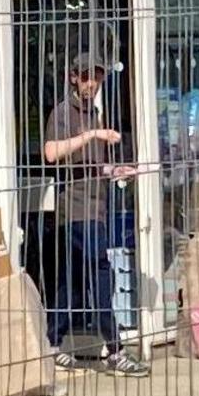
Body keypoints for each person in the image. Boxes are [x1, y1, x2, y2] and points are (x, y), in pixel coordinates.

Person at [40, 53, 128, 351]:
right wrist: (93, 134)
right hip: (76, 210)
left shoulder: (94, 113)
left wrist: (115, 170)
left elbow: (90, 165)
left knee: (73, 282)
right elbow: (51, 153)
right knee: (101, 272)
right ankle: (115, 347)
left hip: (96, 208)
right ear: (74, 77)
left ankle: (53, 344)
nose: (93, 83)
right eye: (87, 76)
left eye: (98, 77)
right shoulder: (63, 113)